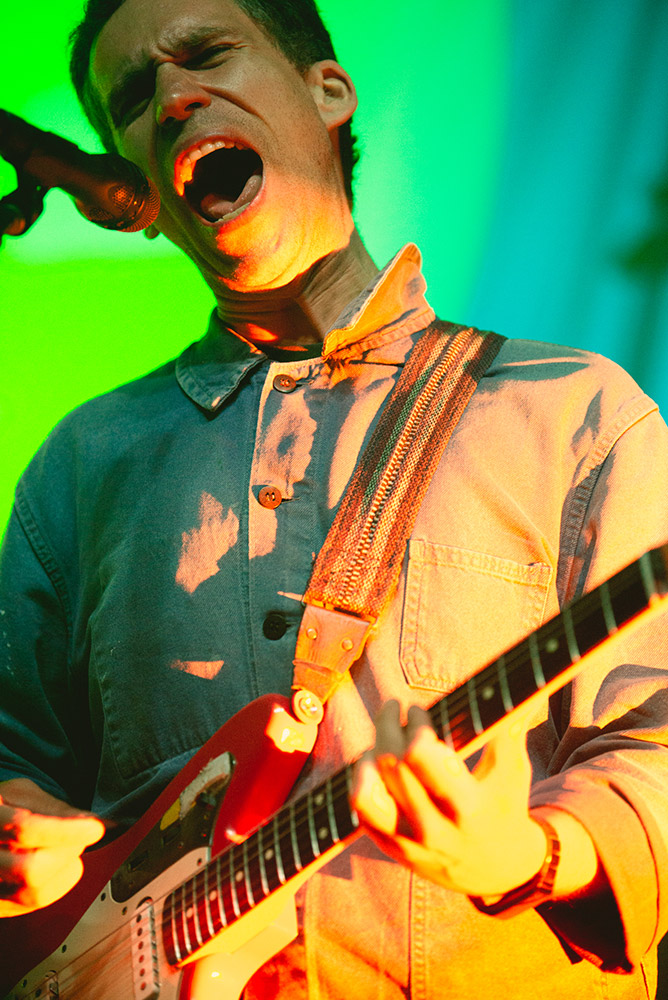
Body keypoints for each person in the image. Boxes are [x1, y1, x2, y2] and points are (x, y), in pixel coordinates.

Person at [1, 0, 668, 997]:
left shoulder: (575, 414)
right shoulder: (83, 461)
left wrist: (524, 853)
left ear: (328, 93)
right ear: (132, 180)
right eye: (135, 96)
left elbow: (653, 748)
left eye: (205, 54)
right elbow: (20, 752)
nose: (175, 97)